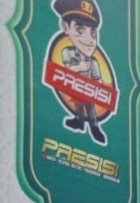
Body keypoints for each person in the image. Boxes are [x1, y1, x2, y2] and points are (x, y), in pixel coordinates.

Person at [54, 0, 108, 144]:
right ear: (66, 27)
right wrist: (81, 67)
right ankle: (79, 121)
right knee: (78, 105)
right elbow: (67, 70)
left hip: (88, 90)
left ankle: (94, 127)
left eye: (93, 33)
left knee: (90, 109)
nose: (89, 40)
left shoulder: (93, 61)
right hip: (75, 87)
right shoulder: (67, 52)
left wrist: (99, 89)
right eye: (79, 30)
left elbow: (98, 80)